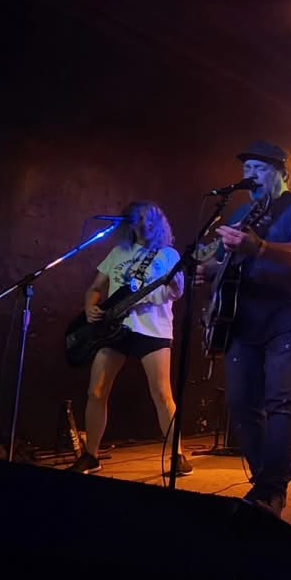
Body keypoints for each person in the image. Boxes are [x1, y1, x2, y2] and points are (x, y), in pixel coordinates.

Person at [196, 140, 291, 518]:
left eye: (260, 168)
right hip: (243, 319)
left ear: (282, 174)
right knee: (240, 402)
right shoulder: (241, 213)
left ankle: (273, 489)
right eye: (247, 168)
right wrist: (208, 271)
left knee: (281, 400)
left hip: (290, 316)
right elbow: (227, 263)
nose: (250, 175)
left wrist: (260, 247)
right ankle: (263, 480)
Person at [68, 201, 189, 476]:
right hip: (114, 329)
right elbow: (95, 288)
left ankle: (177, 455)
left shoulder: (167, 255)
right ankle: (91, 455)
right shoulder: (118, 252)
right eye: (137, 219)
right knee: (96, 391)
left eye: (149, 219)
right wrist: (90, 306)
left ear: (158, 223)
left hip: (153, 330)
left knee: (162, 394)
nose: (143, 224)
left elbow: (176, 292)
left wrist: (174, 283)